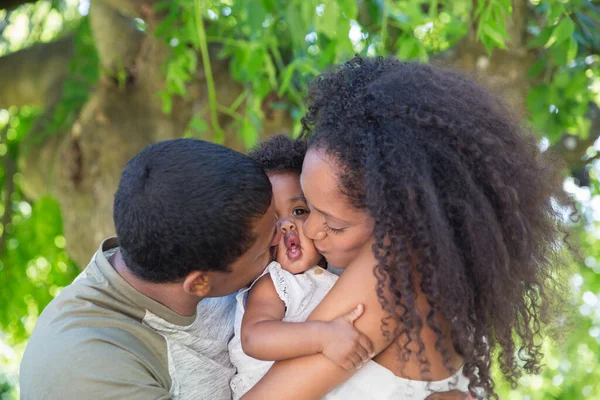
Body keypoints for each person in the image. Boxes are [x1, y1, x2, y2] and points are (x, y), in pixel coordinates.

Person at [243, 57, 569, 399]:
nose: (309, 230)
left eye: (334, 225)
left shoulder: (392, 267)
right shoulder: (446, 287)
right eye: (307, 207)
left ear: (398, 217)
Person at [20, 139, 281, 400]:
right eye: (265, 249)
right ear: (200, 283)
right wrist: (322, 349)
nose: (284, 235)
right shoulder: (86, 372)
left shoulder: (187, 236)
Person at [229, 135, 373, 399]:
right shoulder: (273, 282)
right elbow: (254, 337)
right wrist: (323, 336)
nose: (287, 225)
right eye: (272, 221)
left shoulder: (339, 270)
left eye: (299, 211)